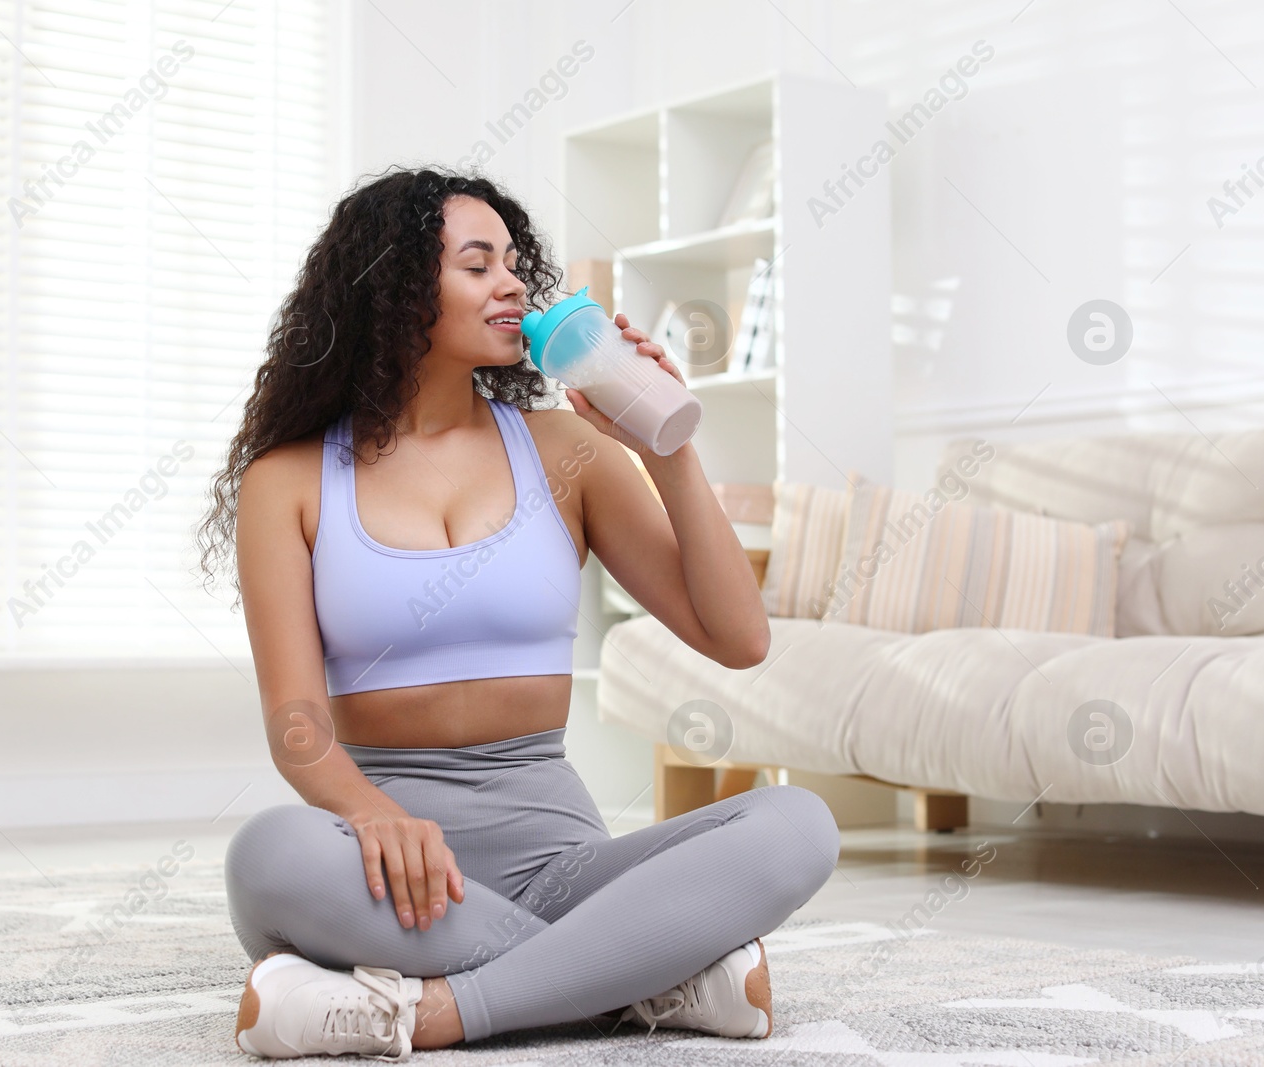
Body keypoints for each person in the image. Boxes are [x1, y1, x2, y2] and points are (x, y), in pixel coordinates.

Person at [194, 165, 839, 1061]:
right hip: (387, 869)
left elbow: (739, 637)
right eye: (476, 264)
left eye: (512, 262)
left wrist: (669, 447)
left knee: (796, 823)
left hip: (564, 867)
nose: (512, 284)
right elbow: (298, 725)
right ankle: (642, 979)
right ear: (394, 286)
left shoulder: (568, 449)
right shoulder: (291, 479)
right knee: (268, 856)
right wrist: (373, 815)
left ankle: (438, 1012)